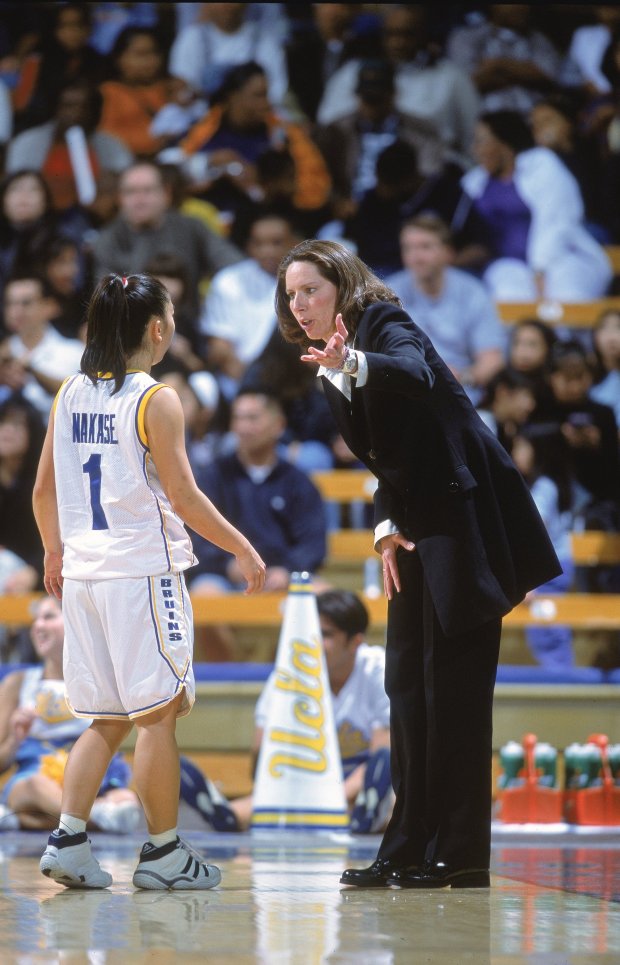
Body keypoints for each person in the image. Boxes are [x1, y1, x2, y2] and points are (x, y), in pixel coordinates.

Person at [275, 239, 561, 889]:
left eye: (311, 289)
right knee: (407, 687)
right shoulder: (331, 362)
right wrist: (382, 527)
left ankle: (459, 851)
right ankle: (406, 843)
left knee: (452, 693)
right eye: (292, 294)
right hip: (415, 529)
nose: (301, 303)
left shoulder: (381, 322)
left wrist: (355, 359)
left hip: (463, 524)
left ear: (342, 286)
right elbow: (390, 458)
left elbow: (417, 372)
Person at [31, 272, 266, 891]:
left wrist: (54, 554)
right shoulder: (155, 398)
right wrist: (241, 545)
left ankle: (69, 839)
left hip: (81, 574)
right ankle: (164, 854)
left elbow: (43, 491)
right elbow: (185, 496)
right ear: (157, 329)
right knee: (157, 715)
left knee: (106, 718)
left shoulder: (69, 392)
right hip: (140, 573)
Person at [180, 589, 392, 834]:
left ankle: (366, 815)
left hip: (362, 781)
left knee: (391, 794)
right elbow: (260, 757)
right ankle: (225, 815)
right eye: (313, 632)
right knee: (262, 802)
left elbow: (382, 756)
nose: (315, 642)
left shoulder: (377, 667)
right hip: (303, 781)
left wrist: (331, 798)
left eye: (326, 635)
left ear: (355, 642)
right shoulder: (290, 667)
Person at [188, 388, 327, 659]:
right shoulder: (213, 477)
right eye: (238, 419)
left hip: (284, 579)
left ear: (279, 425)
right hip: (225, 576)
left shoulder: (299, 482)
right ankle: (232, 683)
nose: (243, 427)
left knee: (327, 599)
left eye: (252, 418)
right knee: (204, 595)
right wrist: (229, 565)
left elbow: (313, 543)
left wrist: (286, 572)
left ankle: (286, 674)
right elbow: (196, 535)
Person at [0, 595, 141, 833]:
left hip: (90, 780)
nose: (38, 626)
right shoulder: (18, 683)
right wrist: (15, 739)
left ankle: (39, 820)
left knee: (126, 799)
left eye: (49, 617)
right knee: (32, 787)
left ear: (76, 623)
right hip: (34, 779)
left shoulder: (103, 680)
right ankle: (93, 818)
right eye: (36, 619)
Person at [459, 110, 613, 301]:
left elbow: (556, 220)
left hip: (563, 258)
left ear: (504, 143)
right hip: (509, 265)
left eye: (481, 141)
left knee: (566, 298)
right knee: (508, 298)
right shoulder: (473, 182)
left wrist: (540, 269)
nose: (475, 149)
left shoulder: (542, 163)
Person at [91, 160, 243, 319]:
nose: (139, 200)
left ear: (166, 194)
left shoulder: (190, 227)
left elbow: (234, 266)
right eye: (130, 192)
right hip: (132, 329)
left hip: (189, 327)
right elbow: (105, 300)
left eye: (148, 191)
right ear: (119, 198)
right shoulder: (107, 240)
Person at [385, 213, 505, 404]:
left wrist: (463, 378)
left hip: (459, 395)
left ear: (448, 253)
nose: (416, 257)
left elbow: (492, 358)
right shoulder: (388, 293)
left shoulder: (472, 292)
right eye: (408, 248)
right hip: (403, 395)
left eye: (425, 247)